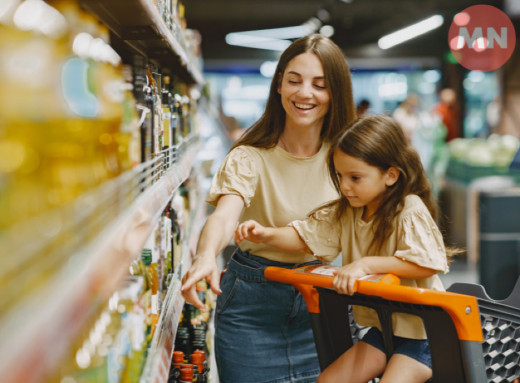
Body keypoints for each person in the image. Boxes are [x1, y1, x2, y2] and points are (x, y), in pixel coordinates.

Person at [181, 34, 356, 383]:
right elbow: (225, 214)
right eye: (294, 81)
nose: (304, 93)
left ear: (335, 91)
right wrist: (204, 256)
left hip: (323, 306)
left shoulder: (348, 158)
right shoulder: (250, 155)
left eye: (319, 85)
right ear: (279, 85)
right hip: (252, 310)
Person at [235, 115, 450, 383]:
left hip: (426, 334)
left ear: (391, 175)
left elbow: (427, 263)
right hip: (384, 330)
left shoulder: (408, 209)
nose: (345, 186)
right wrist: (266, 234)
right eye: (339, 176)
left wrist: (366, 264)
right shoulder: (348, 213)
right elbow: (307, 237)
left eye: (355, 177)